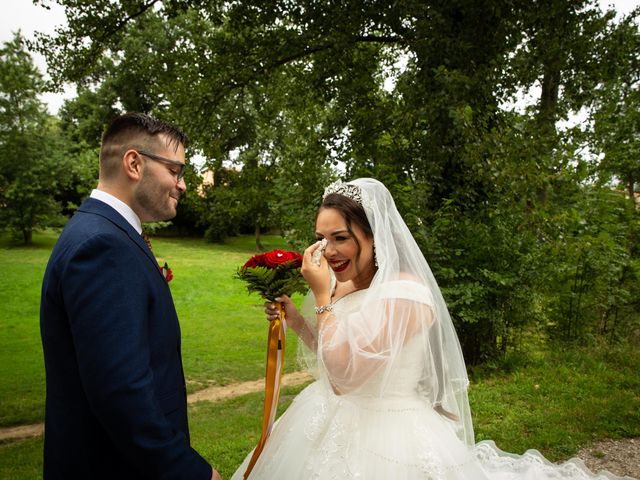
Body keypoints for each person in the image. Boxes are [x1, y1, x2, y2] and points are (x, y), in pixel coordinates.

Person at [232, 178, 628, 479]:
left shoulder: (407, 295)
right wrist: (299, 321)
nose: (328, 251)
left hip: (388, 432)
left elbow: (347, 375)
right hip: (325, 416)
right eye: (321, 238)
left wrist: (321, 301)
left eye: (340, 238)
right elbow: (336, 350)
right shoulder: (344, 285)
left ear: (373, 236)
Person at [40, 113, 221, 480]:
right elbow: (121, 394)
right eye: (175, 170)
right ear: (134, 163)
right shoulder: (103, 245)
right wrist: (190, 472)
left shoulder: (103, 231)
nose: (182, 184)